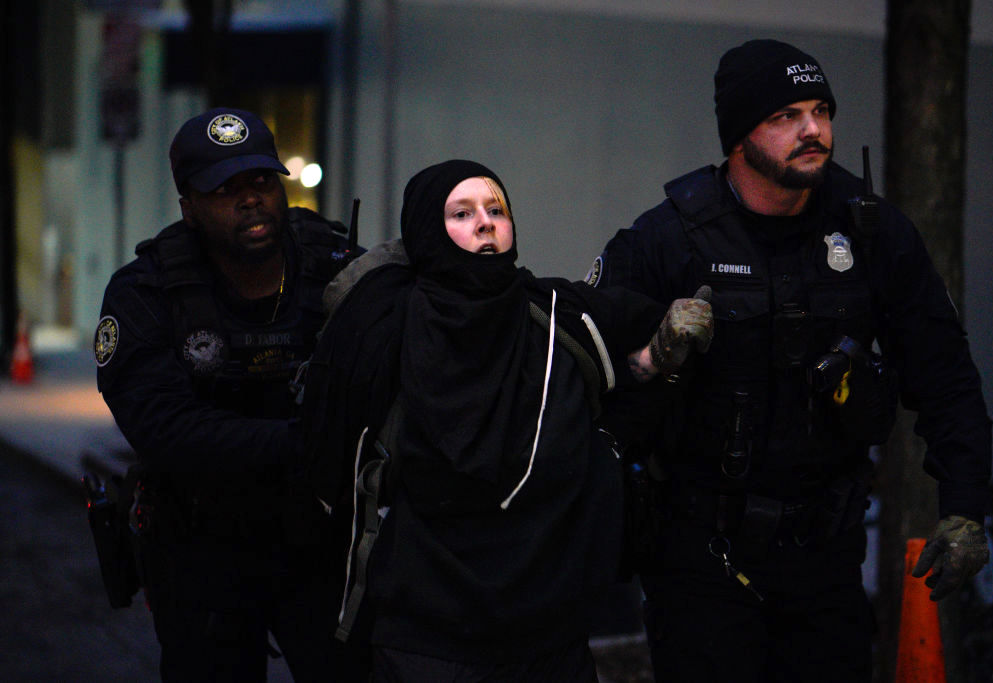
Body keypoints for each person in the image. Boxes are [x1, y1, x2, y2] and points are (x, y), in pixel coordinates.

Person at [587, 39, 992, 682]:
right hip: (700, 557)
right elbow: (588, 381)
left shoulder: (873, 233)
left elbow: (945, 375)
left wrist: (965, 507)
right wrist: (650, 356)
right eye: (785, 116)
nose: (813, 130)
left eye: (821, 110)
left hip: (825, 557)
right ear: (738, 136)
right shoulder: (665, 240)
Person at [302, 159, 712, 682]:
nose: (485, 223)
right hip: (427, 636)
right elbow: (329, 458)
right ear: (429, 231)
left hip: (548, 631)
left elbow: (637, 357)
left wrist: (662, 349)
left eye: (497, 209)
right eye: (462, 212)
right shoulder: (385, 331)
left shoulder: (558, 315)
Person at [94, 107, 358, 682]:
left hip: (318, 545)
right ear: (189, 207)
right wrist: (305, 440)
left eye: (261, 181)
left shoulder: (339, 270)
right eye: (224, 188)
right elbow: (163, 427)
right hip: (200, 548)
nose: (250, 199)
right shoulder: (146, 292)